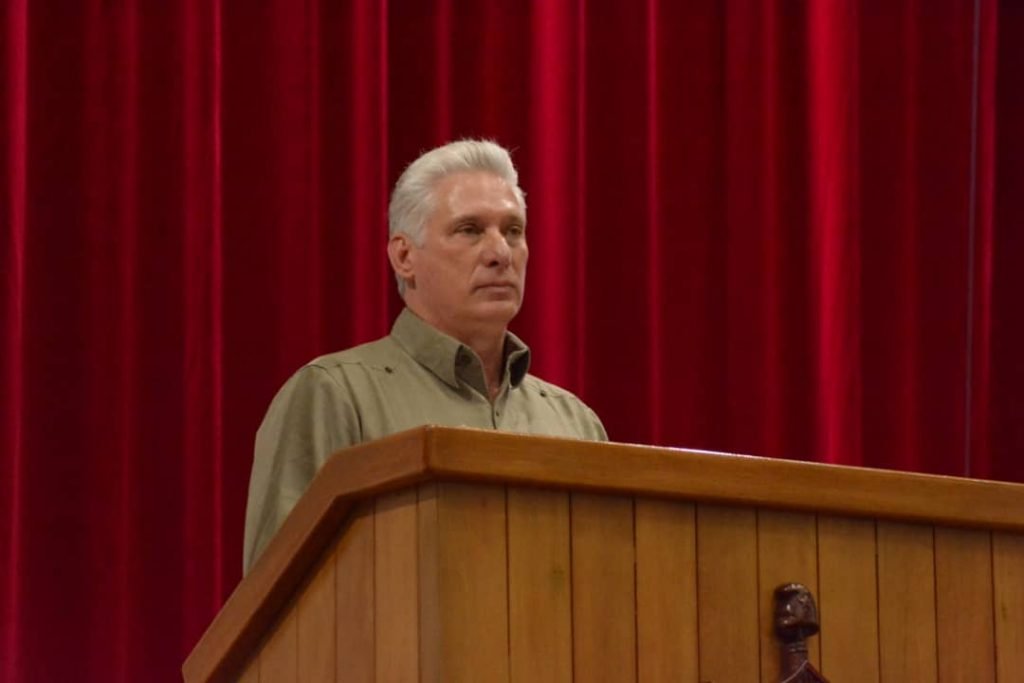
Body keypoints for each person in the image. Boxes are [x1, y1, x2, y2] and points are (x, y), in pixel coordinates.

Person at [243, 139, 606, 572]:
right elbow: (279, 605)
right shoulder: (335, 396)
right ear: (404, 256)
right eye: (470, 230)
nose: (500, 254)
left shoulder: (575, 422)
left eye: (513, 231)